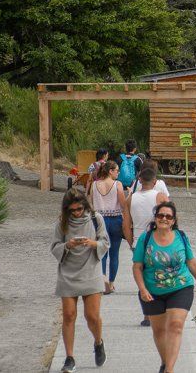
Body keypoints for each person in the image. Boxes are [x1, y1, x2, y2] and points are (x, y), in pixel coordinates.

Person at [132, 202, 196, 373]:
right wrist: (142, 289)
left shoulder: (181, 237)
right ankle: (165, 363)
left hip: (181, 287)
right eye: (160, 215)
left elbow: (192, 263)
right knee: (159, 331)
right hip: (152, 291)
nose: (164, 218)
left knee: (176, 325)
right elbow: (137, 267)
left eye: (168, 216)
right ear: (155, 218)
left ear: (173, 220)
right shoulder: (145, 238)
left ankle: (169, 370)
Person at [51, 189, 110, 373]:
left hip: (90, 270)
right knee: (69, 315)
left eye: (79, 209)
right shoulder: (62, 223)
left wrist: (93, 243)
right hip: (68, 272)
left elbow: (105, 242)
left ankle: (98, 342)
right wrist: (68, 245)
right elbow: (54, 247)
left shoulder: (96, 219)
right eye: (72, 210)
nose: (76, 213)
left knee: (92, 316)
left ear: (85, 205)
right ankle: (69, 358)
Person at [126, 168, 169, 327]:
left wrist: (132, 243)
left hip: (139, 241)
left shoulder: (130, 199)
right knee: (161, 276)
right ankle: (161, 311)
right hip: (157, 240)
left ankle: (147, 315)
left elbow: (126, 225)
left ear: (140, 180)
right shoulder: (160, 197)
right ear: (155, 181)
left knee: (143, 280)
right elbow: (169, 219)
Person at [89, 160, 130, 294]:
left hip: (99, 221)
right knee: (114, 253)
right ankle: (111, 284)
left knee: (102, 253)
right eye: (117, 170)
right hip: (115, 220)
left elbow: (90, 203)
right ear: (110, 171)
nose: (118, 173)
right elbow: (123, 205)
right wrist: (129, 195)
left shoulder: (94, 184)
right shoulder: (117, 184)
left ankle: (102, 281)